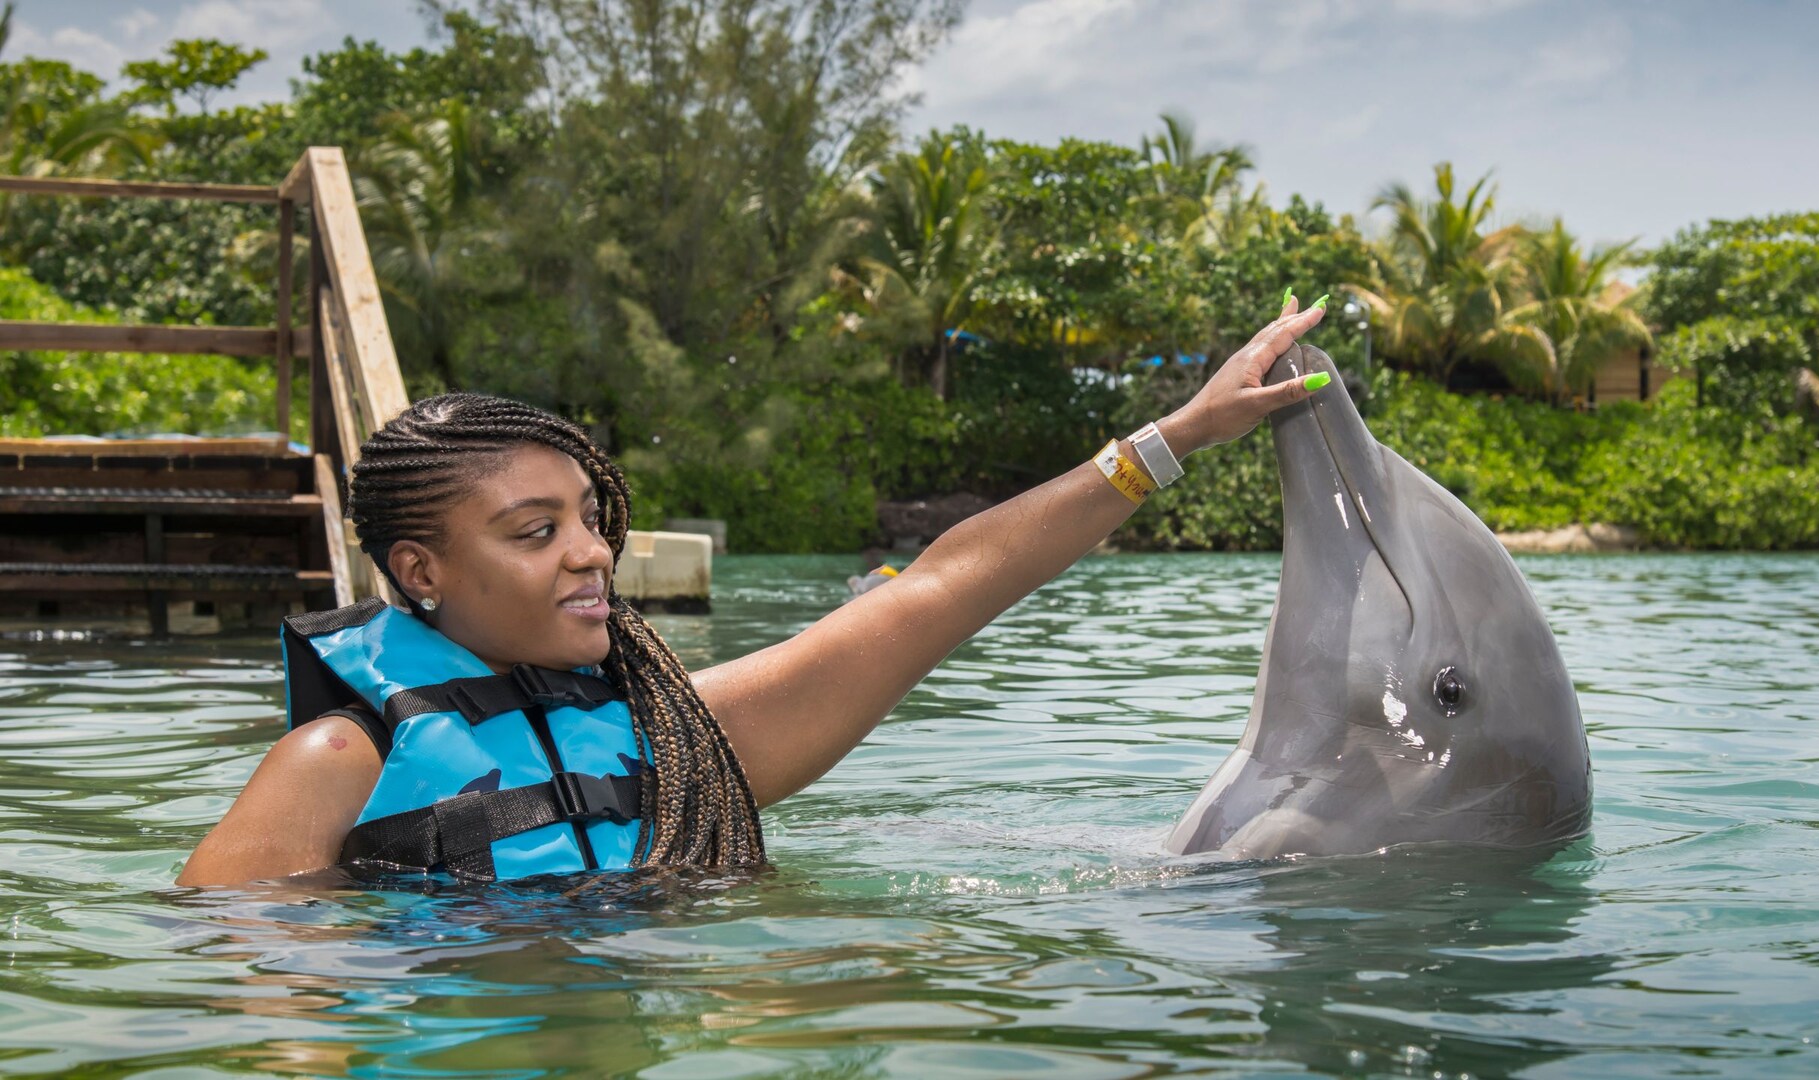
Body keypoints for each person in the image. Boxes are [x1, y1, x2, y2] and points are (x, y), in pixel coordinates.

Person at [178, 296, 1330, 886]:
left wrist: (1175, 436)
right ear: (420, 573)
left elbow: (934, 594)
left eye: (590, 517)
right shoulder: (339, 765)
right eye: (537, 533)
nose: (591, 554)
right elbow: (254, 987)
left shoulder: (673, 737)